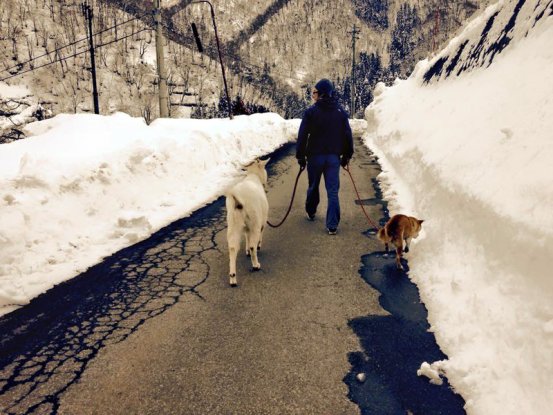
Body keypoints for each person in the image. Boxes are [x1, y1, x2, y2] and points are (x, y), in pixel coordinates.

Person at [296, 78, 354, 235]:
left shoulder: (311, 113)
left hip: (315, 157)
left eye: (315, 92)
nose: (313, 95)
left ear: (321, 94)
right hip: (333, 158)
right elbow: (348, 136)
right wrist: (346, 156)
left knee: (313, 186)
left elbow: (302, 136)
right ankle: (332, 225)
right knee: (333, 191)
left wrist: (300, 156)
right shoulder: (341, 113)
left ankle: (311, 211)